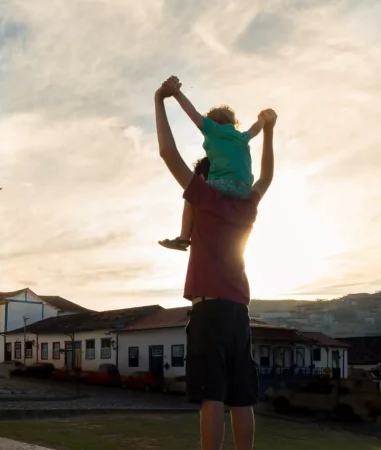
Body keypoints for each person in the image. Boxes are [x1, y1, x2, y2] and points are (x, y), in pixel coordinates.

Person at [154, 75, 277, 450]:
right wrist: (268, 131)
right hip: (240, 311)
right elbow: (267, 175)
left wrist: (160, 99)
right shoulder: (248, 204)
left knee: (213, 395)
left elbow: (167, 153)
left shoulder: (204, 197)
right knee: (242, 397)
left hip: (208, 310)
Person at [159, 82, 265, 251]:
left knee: (192, 193)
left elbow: (191, 113)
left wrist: (177, 93)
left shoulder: (212, 129)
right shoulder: (241, 137)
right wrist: (263, 120)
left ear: (212, 120)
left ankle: (184, 237)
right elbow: (254, 129)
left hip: (223, 184)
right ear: (233, 122)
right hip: (245, 189)